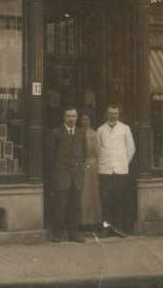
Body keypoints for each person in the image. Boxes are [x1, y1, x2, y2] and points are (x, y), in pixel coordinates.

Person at [46, 106, 87, 243]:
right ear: (64, 117)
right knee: (60, 207)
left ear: (77, 117)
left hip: (76, 177)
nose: (71, 119)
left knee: (74, 207)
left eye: (73, 116)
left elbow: (84, 154)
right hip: (61, 176)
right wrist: (56, 173)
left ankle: (73, 234)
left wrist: (80, 171)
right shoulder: (56, 133)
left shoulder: (81, 133)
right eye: (68, 116)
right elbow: (50, 157)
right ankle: (58, 234)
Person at [96, 104, 135, 238]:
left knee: (119, 200)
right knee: (106, 201)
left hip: (120, 171)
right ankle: (106, 229)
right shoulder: (101, 130)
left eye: (115, 113)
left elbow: (131, 149)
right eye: (110, 113)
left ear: (119, 115)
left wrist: (122, 162)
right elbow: (97, 149)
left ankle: (119, 228)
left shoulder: (125, 129)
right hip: (105, 170)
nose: (113, 116)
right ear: (106, 114)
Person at [78, 111, 102, 232]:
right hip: (80, 165)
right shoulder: (77, 132)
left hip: (92, 166)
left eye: (87, 119)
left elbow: (98, 152)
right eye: (83, 119)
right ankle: (82, 222)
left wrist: (92, 162)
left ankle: (93, 222)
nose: (85, 121)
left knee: (93, 194)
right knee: (82, 195)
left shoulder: (95, 134)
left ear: (90, 121)